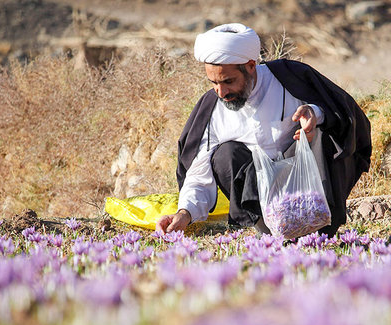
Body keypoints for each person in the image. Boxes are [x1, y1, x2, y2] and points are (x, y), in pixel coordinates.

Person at [156, 23, 371, 237]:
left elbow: (343, 112)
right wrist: (184, 214)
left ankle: (320, 230)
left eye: (228, 81)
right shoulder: (213, 109)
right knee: (224, 155)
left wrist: (315, 114)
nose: (221, 92)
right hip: (259, 193)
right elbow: (198, 173)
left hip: (305, 184)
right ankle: (267, 231)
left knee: (324, 133)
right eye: (213, 83)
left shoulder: (289, 78)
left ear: (250, 65)